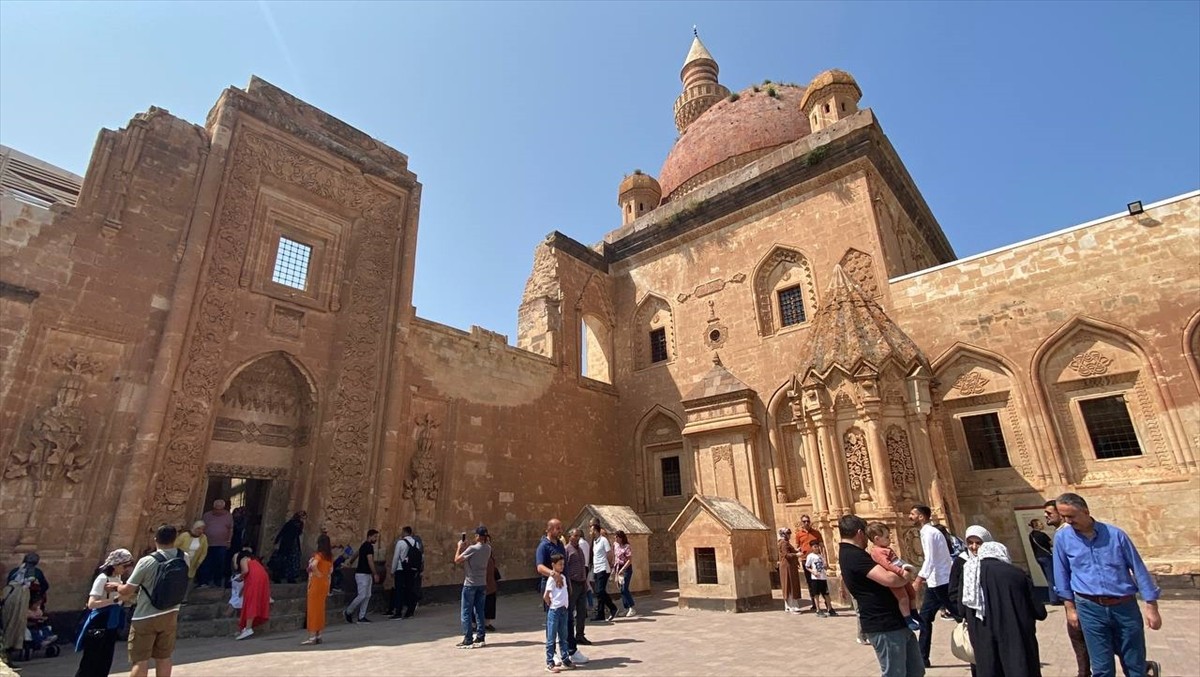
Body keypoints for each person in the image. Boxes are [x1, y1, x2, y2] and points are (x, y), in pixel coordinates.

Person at [1053, 493, 1162, 677]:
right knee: (1102, 668)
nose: (1068, 521)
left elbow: (1138, 569)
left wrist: (1152, 606)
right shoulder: (1063, 538)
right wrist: (1069, 608)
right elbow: (1061, 573)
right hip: (1089, 608)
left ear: (1086, 511)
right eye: (1063, 516)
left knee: (1134, 663)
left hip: (1124, 606)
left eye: (1071, 516)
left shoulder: (1115, 535)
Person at [838, 514, 924, 677]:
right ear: (860, 533)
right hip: (884, 624)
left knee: (915, 671)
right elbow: (890, 579)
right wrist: (905, 575)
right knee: (895, 673)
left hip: (896, 621)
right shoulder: (854, 555)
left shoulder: (854, 554)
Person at [961, 541, 1046, 677]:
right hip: (1016, 637)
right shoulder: (1017, 574)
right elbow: (1040, 612)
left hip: (983, 637)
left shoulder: (970, 574)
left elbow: (962, 609)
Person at [117, 525, 184, 677]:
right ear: (175, 539)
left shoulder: (147, 561)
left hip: (145, 615)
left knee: (140, 660)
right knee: (164, 657)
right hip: (171, 613)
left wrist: (116, 587)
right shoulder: (183, 557)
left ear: (155, 539)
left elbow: (128, 590)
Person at [75, 548, 135, 677]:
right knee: (90, 662)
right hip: (99, 622)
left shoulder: (118, 578)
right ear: (115, 565)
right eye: (125, 566)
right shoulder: (103, 579)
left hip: (111, 623)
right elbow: (92, 604)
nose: (126, 569)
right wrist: (115, 600)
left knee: (105, 661)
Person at [910, 504, 953, 669]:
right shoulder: (928, 532)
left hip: (942, 581)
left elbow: (931, 559)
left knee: (959, 615)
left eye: (913, 514)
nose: (910, 517)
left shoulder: (929, 533)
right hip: (935, 582)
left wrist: (918, 579)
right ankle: (923, 658)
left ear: (921, 516)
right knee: (925, 618)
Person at [866, 522, 920, 630]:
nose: (890, 539)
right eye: (886, 537)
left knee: (911, 593)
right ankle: (907, 618)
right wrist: (901, 572)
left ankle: (914, 611)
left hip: (901, 574)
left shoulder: (887, 549)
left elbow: (897, 561)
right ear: (877, 539)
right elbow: (888, 565)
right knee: (903, 598)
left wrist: (905, 566)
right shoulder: (877, 552)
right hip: (894, 577)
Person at [3, 553, 48, 659]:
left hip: (9, 598)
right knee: (19, 620)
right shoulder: (36, 572)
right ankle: (16, 643)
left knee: (10, 621)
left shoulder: (15, 571)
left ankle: (8, 642)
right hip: (23, 599)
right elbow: (44, 586)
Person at [454, 525, 492, 649]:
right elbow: (475, 553)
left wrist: (459, 547)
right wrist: (467, 548)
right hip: (482, 583)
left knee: (466, 611)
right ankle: (481, 636)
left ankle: (468, 638)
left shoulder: (472, 549)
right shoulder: (488, 548)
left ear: (477, 536)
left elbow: (457, 560)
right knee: (479, 610)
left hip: (470, 583)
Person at [542, 553, 574, 673]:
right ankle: (550, 662)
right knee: (551, 637)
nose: (562, 566)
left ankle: (565, 659)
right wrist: (551, 604)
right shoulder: (552, 579)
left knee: (563, 636)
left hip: (564, 610)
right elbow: (546, 595)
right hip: (555, 610)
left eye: (563, 564)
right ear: (553, 565)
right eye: (560, 564)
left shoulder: (563, 578)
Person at [563, 528, 590, 664]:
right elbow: (565, 569)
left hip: (581, 583)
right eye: (575, 536)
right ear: (570, 536)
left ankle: (580, 635)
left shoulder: (580, 550)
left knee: (582, 611)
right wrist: (568, 585)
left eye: (579, 536)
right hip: (572, 584)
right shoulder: (567, 550)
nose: (577, 538)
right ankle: (570, 638)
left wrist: (585, 582)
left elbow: (583, 567)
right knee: (570, 612)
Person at [302, 534, 333, 645]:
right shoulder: (329, 557)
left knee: (313, 610)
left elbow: (313, 565)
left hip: (316, 584)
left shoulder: (318, 555)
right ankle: (319, 634)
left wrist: (317, 573)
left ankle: (312, 636)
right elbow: (330, 572)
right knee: (320, 610)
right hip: (324, 584)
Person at [235, 548, 271, 640]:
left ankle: (248, 628)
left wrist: (240, 577)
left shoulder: (244, 559)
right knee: (255, 601)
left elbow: (245, 571)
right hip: (262, 579)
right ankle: (247, 627)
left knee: (251, 603)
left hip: (254, 580)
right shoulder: (255, 561)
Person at [344, 529, 379, 624]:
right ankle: (348, 611)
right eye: (375, 537)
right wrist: (375, 573)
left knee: (367, 595)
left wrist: (351, 561)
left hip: (366, 574)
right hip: (362, 574)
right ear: (369, 536)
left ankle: (362, 616)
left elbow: (357, 553)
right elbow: (370, 560)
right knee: (362, 595)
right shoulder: (368, 547)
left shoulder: (364, 545)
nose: (376, 539)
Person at [199, 500, 233, 588]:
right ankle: (204, 581)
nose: (218, 511)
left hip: (221, 544)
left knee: (219, 563)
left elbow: (230, 529)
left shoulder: (228, 516)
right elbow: (201, 527)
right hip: (207, 543)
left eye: (220, 509)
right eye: (216, 509)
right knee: (206, 562)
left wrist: (229, 541)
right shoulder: (206, 515)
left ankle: (217, 581)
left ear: (223, 508)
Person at [389, 526, 421, 620]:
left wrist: (392, 570)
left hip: (401, 568)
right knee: (409, 589)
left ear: (404, 532)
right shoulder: (416, 543)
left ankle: (398, 612)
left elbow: (396, 557)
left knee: (399, 590)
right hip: (411, 569)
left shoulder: (400, 543)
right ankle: (409, 612)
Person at [589, 521, 617, 622]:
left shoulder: (603, 540)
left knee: (600, 590)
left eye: (591, 530)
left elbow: (609, 553)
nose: (590, 532)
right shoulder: (594, 541)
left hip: (603, 568)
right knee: (598, 593)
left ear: (595, 531)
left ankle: (613, 608)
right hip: (596, 569)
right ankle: (600, 614)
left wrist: (609, 563)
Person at [535, 519, 566, 609]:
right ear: (550, 529)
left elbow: (565, 563)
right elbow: (540, 567)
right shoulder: (543, 546)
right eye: (558, 528)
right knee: (553, 613)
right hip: (550, 584)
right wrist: (554, 574)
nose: (560, 531)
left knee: (564, 613)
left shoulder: (560, 545)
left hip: (562, 583)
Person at [794, 515, 823, 612]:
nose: (806, 523)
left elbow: (822, 546)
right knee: (810, 582)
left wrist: (824, 559)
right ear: (801, 523)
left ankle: (826, 602)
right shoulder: (799, 534)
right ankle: (814, 603)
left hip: (817, 560)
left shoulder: (816, 533)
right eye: (804, 521)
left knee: (821, 580)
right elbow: (798, 547)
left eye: (808, 521)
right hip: (805, 560)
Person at [269, 511, 306, 584]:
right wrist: (277, 541)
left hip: (294, 545)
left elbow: (297, 534)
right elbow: (283, 532)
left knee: (292, 562)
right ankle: (278, 577)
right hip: (286, 544)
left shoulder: (300, 524)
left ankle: (290, 577)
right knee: (283, 561)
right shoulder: (290, 524)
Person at [1027, 518, 1057, 605]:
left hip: (1039, 557)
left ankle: (1053, 597)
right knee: (1051, 577)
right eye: (1040, 524)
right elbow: (1051, 544)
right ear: (1036, 525)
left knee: (1048, 577)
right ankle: (1054, 598)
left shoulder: (1031, 535)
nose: (1042, 525)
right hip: (1046, 556)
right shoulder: (1042, 534)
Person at [173, 521, 207, 599]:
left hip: (193, 562)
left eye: (202, 529)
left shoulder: (203, 538)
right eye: (198, 528)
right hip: (182, 561)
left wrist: (199, 561)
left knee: (190, 579)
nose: (200, 531)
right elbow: (175, 546)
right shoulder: (184, 536)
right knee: (180, 579)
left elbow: (204, 552)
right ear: (194, 528)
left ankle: (185, 597)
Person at [805, 541, 837, 617]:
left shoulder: (821, 556)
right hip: (815, 578)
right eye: (815, 547)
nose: (816, 548)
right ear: (812, 548)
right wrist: (813, 572)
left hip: (823, 577)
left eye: (817, 547)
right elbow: (807, 566)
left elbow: (824, 566)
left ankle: (830, 609)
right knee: (816, 594)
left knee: (826, 594)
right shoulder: (810, 556)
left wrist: (827, 567)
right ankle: (818, 609)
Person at [777, 527, 804, 613]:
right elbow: (786, 554)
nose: (789, 535)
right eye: (788, 533)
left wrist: (795, 551)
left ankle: (788, 606)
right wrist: (797, 555)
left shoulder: (784, 542)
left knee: (788, 584)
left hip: (788, 566)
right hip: (787, 566)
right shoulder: (784, 543)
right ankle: (792, 606)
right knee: (790, 584)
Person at [613, 530, 636, 617]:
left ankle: (632, 607)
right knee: (621, 589)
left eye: (617, 537)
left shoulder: (627, 547)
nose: (615, 538)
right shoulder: (615, 545)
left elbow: (629, 560)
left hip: (626, 569)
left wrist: (623, 569)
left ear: (621, 538)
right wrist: (616, 571)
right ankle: (626, 607)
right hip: (618, 568)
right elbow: (616, 557)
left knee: (624, 588)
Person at [484, 541, 501, 632]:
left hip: (489, 585)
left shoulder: (490, 560)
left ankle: (486, 623)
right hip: (484, 585)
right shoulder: (487, 559)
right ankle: (482, 623)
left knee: (489, 604)